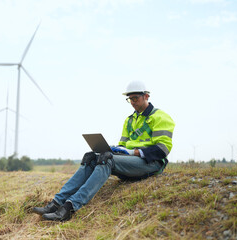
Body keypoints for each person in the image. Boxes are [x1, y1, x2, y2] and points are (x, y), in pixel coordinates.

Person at [32, 81, 175, 221]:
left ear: (146, 96)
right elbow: (123, 145)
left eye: (135, 98)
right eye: (129, 99)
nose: (132, 102)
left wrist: (132, 153)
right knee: (91, 157)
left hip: (152, 164)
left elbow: (162, 150)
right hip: (131, 164)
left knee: (108, 160)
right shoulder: (130, 120)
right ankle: (56, 203)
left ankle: (70, 207)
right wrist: (114, 150)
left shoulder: (160, 117)